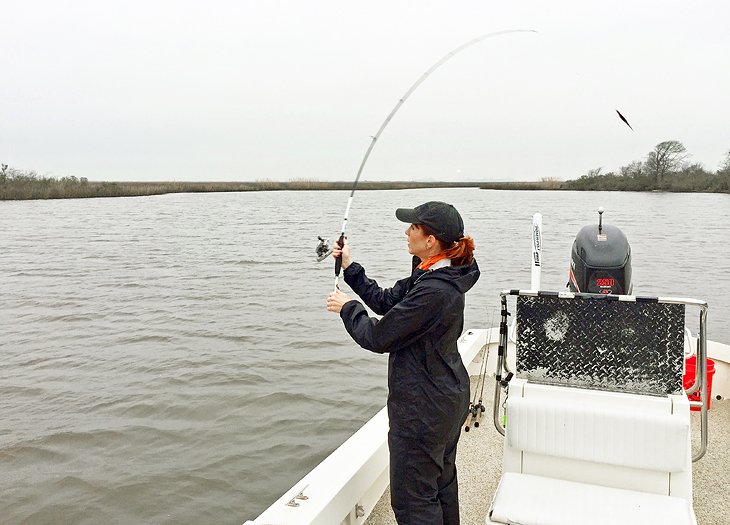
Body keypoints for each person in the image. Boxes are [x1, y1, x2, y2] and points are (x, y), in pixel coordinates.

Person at [326, 201, 479, 525]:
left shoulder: (435, 290)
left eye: (413, 227)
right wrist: (350, 267)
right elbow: (386, 301)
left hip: (423, 410)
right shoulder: (439, 272)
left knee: (414, 503)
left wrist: (347, 308)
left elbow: (381, 336)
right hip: (446, 400)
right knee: (440, 486)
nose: (406, 232)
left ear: (430, 240)